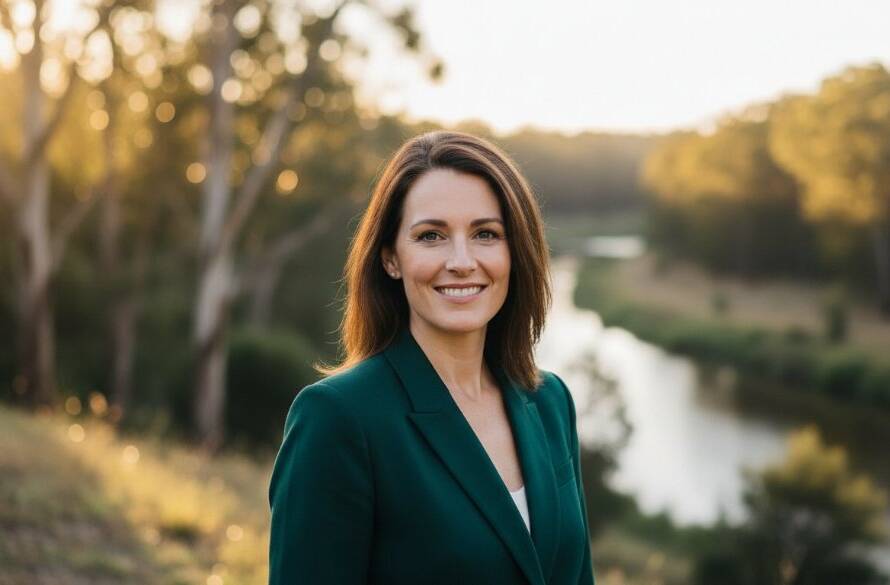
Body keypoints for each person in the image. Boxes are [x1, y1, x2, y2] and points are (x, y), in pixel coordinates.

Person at [268, 130, 596, 585]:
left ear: (514, 250)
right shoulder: (338, 418)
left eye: (485, 233)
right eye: (431, 236)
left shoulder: (549, 401)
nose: (462, 261)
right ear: (391, 259)